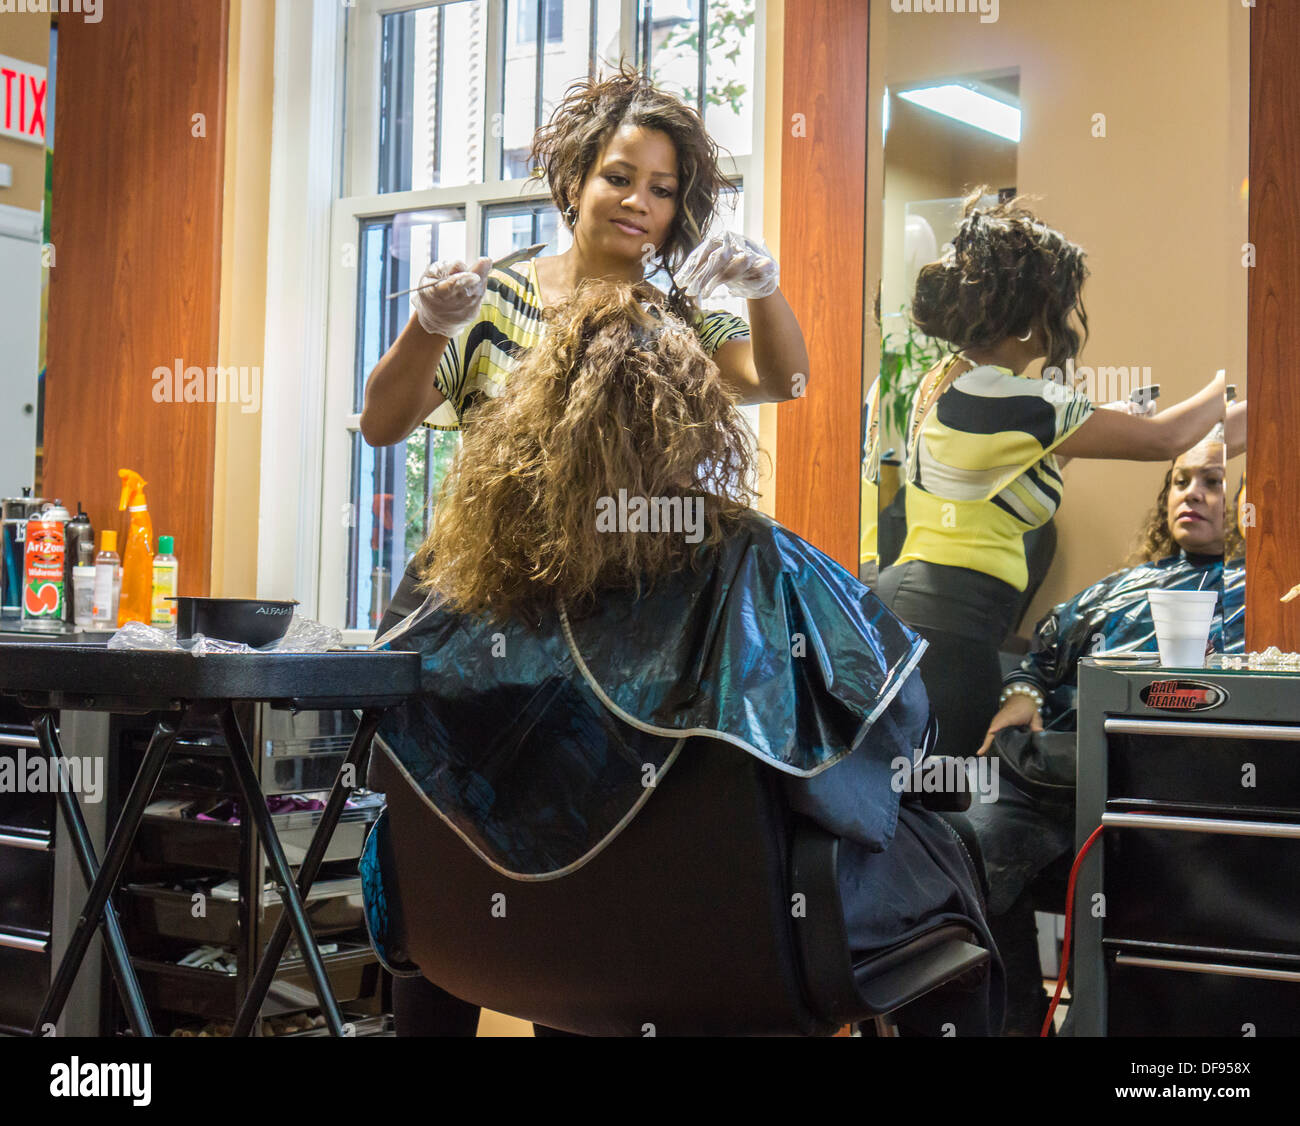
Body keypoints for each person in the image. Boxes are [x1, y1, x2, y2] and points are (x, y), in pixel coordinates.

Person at [360, 279, 1003, 1036]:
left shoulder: (454, 575)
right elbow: (891, 742)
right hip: (732, 943)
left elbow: (395, 752)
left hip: (504, 945)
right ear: (695, 421)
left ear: (527, 424)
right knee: (950, 845)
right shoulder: (752, 559)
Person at [358, 64, 810, 1036]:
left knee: (585, 906)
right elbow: (382, 423)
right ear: (572, 180)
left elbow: (785, 378)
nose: (639, 202)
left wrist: (765, 290)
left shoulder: (681, 312)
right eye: (619, 176)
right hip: (481, 634)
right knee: (448, 865)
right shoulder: (492, 295)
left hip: (609, 663)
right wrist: (425, 327)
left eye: (662, 189)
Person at [874, 187, 1227, 762]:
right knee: (934, 808)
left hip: (929, 615)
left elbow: (1048, 455)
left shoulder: (957, 379)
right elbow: (1167, 437)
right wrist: (1230, 381)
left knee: (918, 809)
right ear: (1030, 310)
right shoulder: (1007, 394)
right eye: (1059, 304)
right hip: (947, 629)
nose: (1064, 320)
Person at [966, 435, 1243, 1034]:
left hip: (1169, 789)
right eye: (1180, 480)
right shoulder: (1119, 588)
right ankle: (1019, 1023)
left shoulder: (1262, 594)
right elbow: (1038, 658)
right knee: (969, 854)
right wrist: (1022, 697)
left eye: (1212, 482)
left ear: (1247, 500)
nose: (1191, 492)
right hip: (1060, 777)